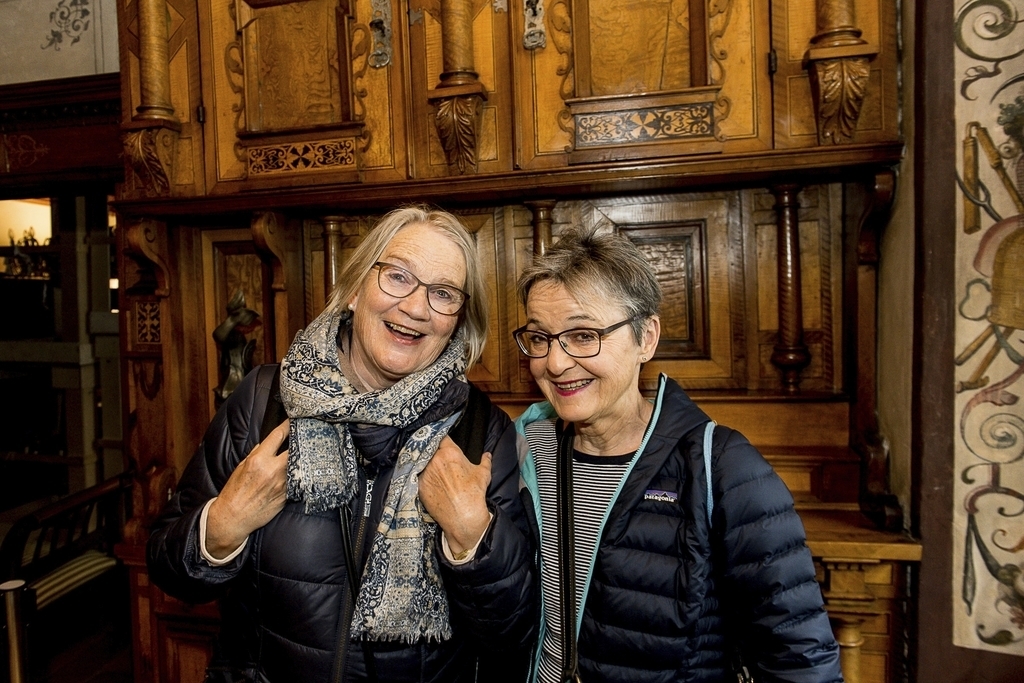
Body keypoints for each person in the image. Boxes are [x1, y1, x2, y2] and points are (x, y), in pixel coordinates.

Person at [147, 206, 536, 683]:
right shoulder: (263, 402)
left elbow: (513, 635)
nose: (416, 308)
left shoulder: (481, 433)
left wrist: (475, 538)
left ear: (457, 320)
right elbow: (167, 568)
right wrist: (223, 523)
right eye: (397, 276)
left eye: (443, 294)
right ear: (355, 289)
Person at [512, 228, 844, 683]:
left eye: (584, 335)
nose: (554, 362)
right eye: (539, 338)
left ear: (645, 338)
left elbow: (798, 660)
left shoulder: (723, 467)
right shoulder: (525, 452)